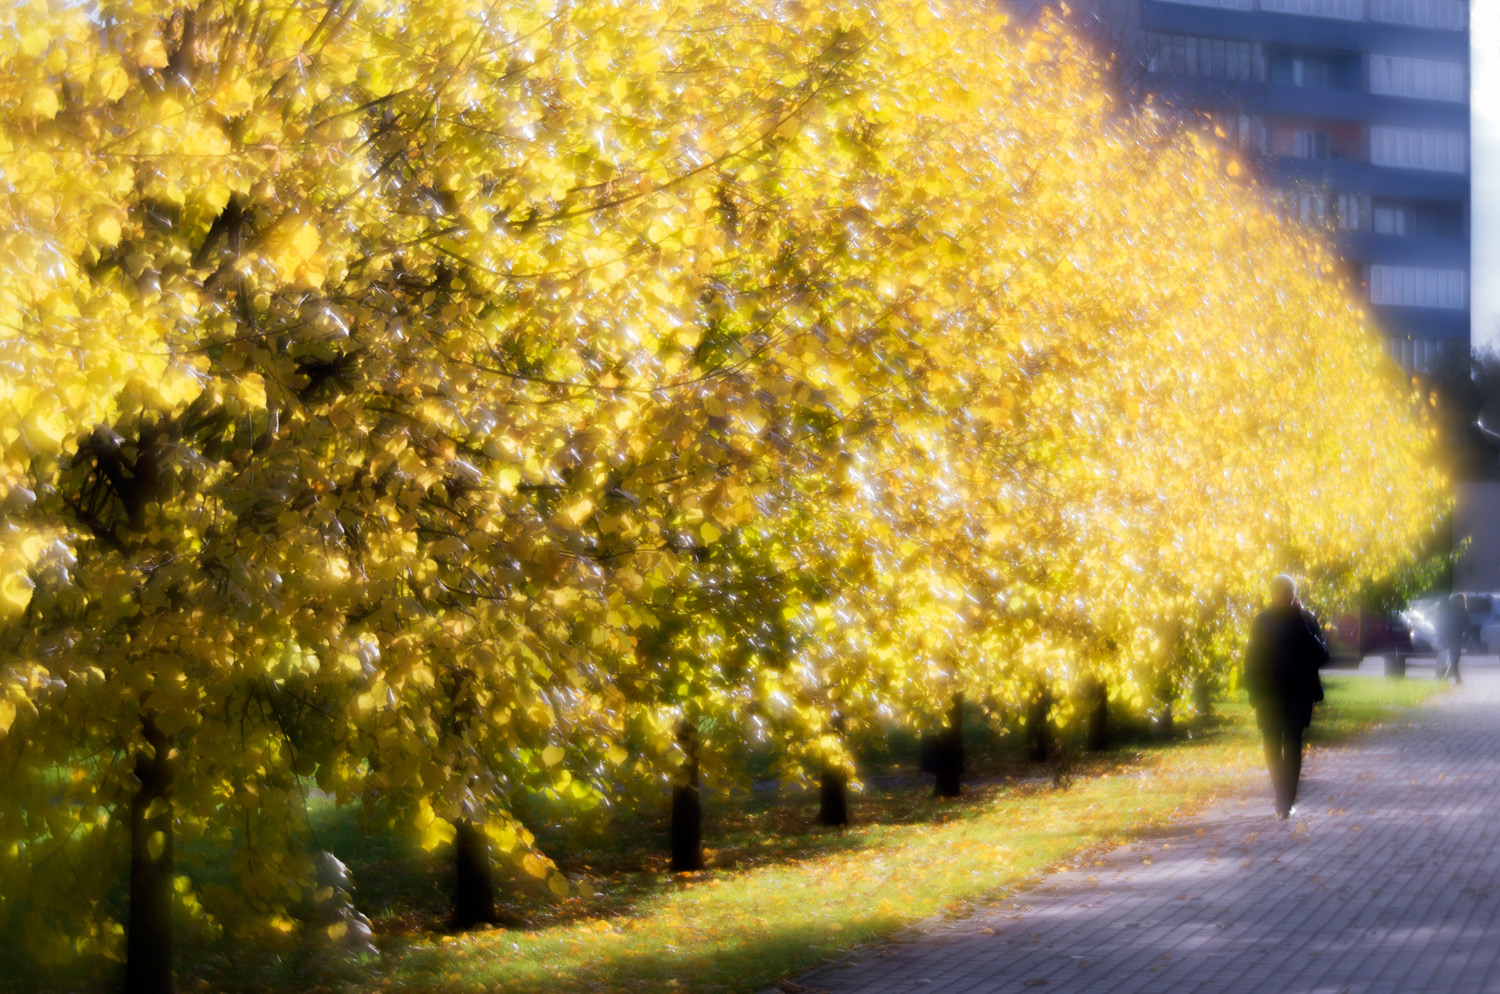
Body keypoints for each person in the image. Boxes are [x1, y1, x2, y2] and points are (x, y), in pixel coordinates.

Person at [1244, 574, 1327, 820]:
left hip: (1298, 693)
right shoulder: (1262, 620)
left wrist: (1305, 632)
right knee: (1270, 746)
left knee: (1292, 746)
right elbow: (1250, 659)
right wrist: (1253, 691)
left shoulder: (1306, 619)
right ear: (1271, 593)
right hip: (1269, 694)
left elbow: (1323, 656)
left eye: (1287, 590)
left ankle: (1286, 800)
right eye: (1278, 590)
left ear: (1294, 593)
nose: (1282, 595)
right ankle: (1282, 792)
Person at [1436, 593, 1467, 686]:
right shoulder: (1454, 610)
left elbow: (1465, 621)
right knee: (1452, 658)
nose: (1464, 602)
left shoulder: (1459, 610)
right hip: (1451, 636)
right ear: (1458, 601)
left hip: (1455, 637)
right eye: (1462, 601)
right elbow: (1448, 624)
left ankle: (1448, 677)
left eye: (1464, 601)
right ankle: (1448, 677)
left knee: (1454, 659)